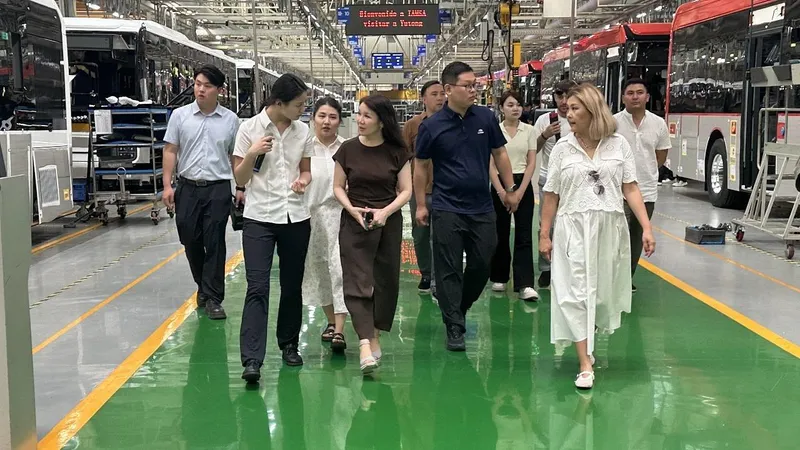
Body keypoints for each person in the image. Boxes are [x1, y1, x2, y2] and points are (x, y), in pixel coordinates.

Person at [539, 82, 656, 390]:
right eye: (567, 108)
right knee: (574, 293)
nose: (568, 113)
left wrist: (646, 227)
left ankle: (587, 338)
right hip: (572, 229)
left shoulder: (619, 145)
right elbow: (551, 194)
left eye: (575, 108)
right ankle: (584, 363)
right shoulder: (562, 148)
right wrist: (544, 233)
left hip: (609, 228)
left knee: (600, 295)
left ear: (592, 111)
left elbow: (630, 187)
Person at [414, 61, 521, 352]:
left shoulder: (485, 118)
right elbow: (421, 166)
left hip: (482, 207)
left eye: (476, 85)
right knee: (448, 268)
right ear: (448, 89)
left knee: (482, 263)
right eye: (468, 85)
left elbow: (500, 154)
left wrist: (509, 190)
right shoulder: (431, 126)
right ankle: (454, 326)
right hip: (447, 207)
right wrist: (421, 204)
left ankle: (458, 307)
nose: (474, 90)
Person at [232, 73, 313, 383]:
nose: (303, 110)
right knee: (257, 286)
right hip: (259, 217)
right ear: (279, 103)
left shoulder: (302, 131)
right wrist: (253, 152)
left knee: (292, 285)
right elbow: (240, 179)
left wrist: (303, 181)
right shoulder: (248, 129)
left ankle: (289, 344)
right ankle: (252, 359)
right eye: (298, 105)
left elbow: (305, 171)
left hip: (295, 217)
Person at [332, 94, 412, 375]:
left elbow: (406, 191)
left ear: (382, 121)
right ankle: (365, 342)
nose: (360, 120)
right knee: (357, 281)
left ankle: (374, 332)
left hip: (387, 222)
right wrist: (352, 209)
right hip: (354, 222)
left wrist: (385, 212)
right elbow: (338, 186)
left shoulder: (397, 152)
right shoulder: (347, 150)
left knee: (384, 280)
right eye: (359, 114)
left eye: (367, 115)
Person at [162, 65, 241, 320]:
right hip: (187, 187)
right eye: (197, 84)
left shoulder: (231, 120)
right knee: (190, 237)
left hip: (218, 188)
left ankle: (213, 297)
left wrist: (241, 187)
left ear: (219, 90)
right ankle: (203, 285)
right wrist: (167, 185)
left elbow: (235, 156)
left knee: (215, 241)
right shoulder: (180, 116)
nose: (201, 89)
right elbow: (170, 150)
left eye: (207, 86)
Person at [614, 78, 671, 290]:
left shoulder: (658, 123)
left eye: (639, 92)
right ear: (623, 98)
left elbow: (661, 155)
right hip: (617, 191)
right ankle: (612, 279)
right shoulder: (613, 123)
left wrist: (645, 171)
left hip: (646, 190)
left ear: (647, 97)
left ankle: (625, 279)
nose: (635, 97)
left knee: (637, 238)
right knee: (617, 237)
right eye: (630, 93)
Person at [302, 97, 348, 352]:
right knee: (319, 270)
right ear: (313, 119)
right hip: (310, 218)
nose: (326, 121)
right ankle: (331, 320)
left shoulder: (348, 148)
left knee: (340, 269)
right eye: (321, 116)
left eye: (332, 117)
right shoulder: (304, 149)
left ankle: (340, 329)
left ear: (340, 121)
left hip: (341, 216)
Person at [489, 91, 539, 301]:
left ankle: (525, 283)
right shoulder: (494, 130)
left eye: (518, 104)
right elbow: (491, 164)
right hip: (499, 184)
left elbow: (531, 163)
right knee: (499, 232)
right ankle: (499, 277)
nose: (515, 108)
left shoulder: (529, 131)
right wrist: (502, 192)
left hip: (522, 184)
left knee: (524, 234)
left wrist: (519, 191)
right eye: (510, 105)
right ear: (501, 108)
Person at [403, 80, 446, 294]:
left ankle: (439, 279)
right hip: (419, 190)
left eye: (442, 93)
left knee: (441, 236)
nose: (440, 98)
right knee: (420, 235)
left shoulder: (452, 123)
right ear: (424, 99)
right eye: (434, 94)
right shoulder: (413, 125)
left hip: (445, 190)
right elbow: (403, 157)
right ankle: (426, 274)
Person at [532, 79, 574, 289]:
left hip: (574, 181)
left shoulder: (582, 118)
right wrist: (545, 134)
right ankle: (546, 269)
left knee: (573, 225)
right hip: (549, 179)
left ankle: (570, 267)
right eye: (560, 96)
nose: (564, 101)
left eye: (568, 96)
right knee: (546, 225)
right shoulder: (545, 120)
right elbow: (533, 148)